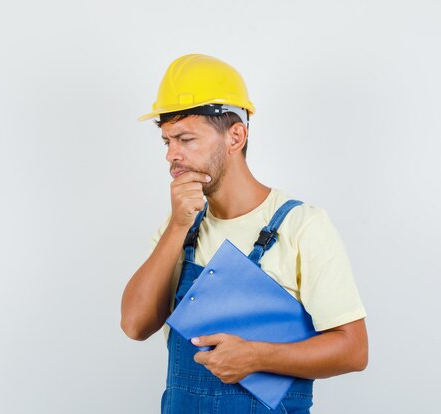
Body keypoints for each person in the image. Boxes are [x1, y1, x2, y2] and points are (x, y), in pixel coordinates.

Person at [120, 54, 368, 413]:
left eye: (185, 139)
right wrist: (177, 226)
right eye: (166, 141)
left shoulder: (301, 226)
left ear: (236, 136)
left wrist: (256, 356)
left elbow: (353, 349)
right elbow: (135, 325)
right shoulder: (179, 227)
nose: (172, 155)